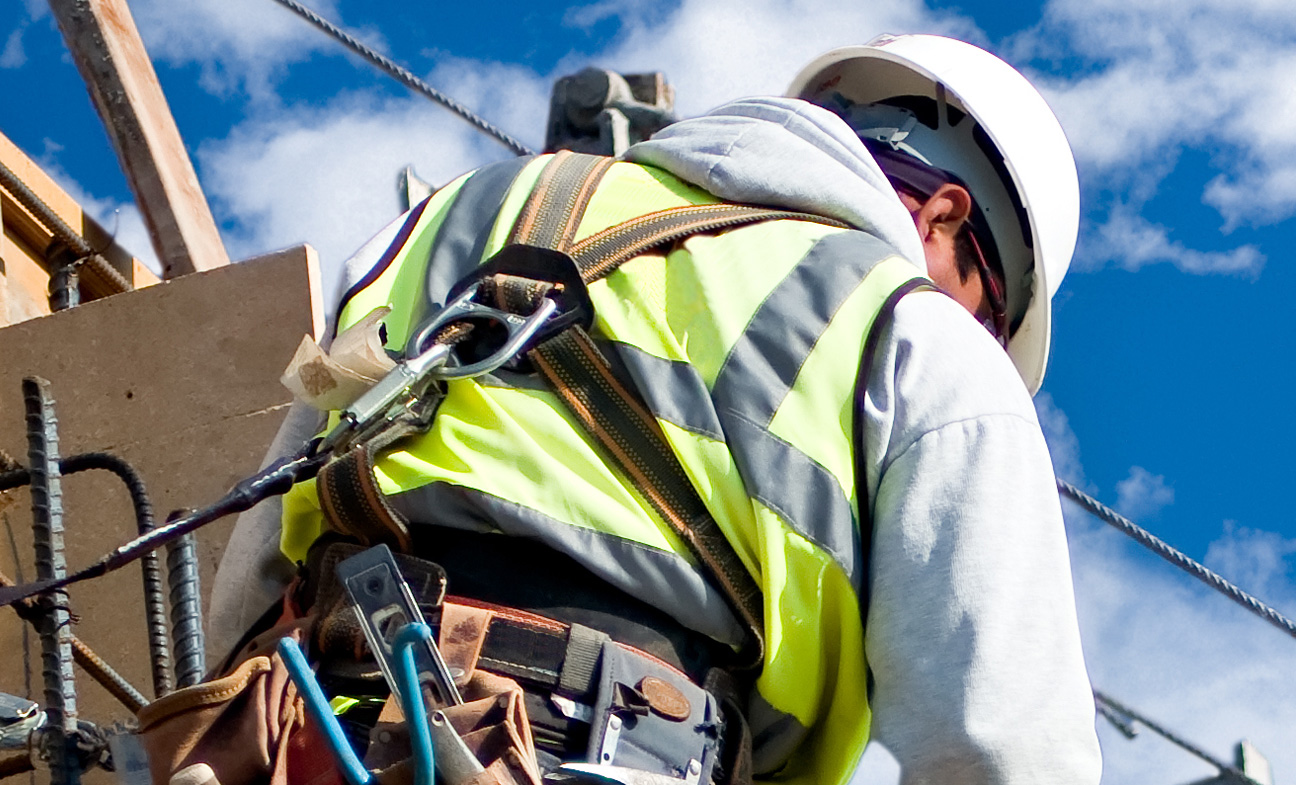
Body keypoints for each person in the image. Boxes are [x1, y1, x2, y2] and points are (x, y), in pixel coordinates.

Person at [209, 33, 1099, 785]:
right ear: (943, 215)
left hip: (307, 732)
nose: (978, 333)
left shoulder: (472, 206)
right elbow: (1005, 749)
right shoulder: (913, 330)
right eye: (990, 315)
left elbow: (256, 563)